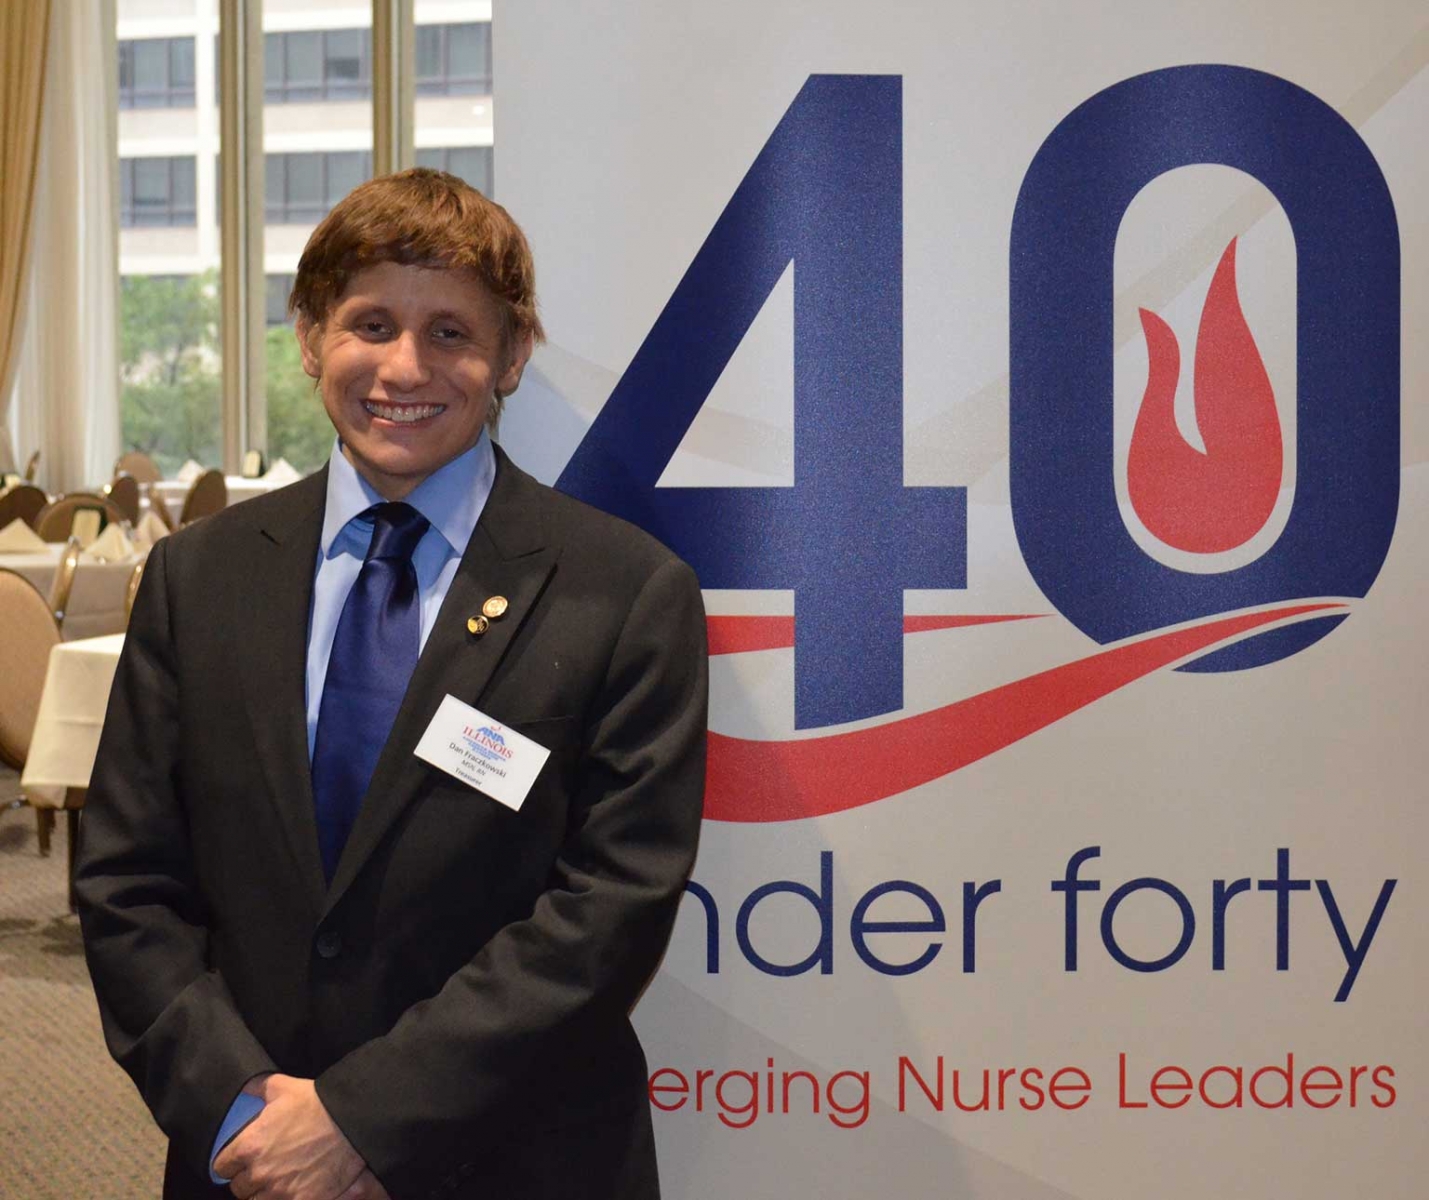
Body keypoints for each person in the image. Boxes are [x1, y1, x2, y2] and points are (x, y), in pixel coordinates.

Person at [76, 168, 708, 1200]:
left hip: (519, 1159)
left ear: (512, 355)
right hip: (250, 1159)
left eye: (450, 333)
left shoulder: (627, 592)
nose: (404, 367)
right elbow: (127, 879)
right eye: (370, 324)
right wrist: (241, 1109)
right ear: (310, 337)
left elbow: (609, 909)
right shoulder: (198, 579)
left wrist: (361, 1123)